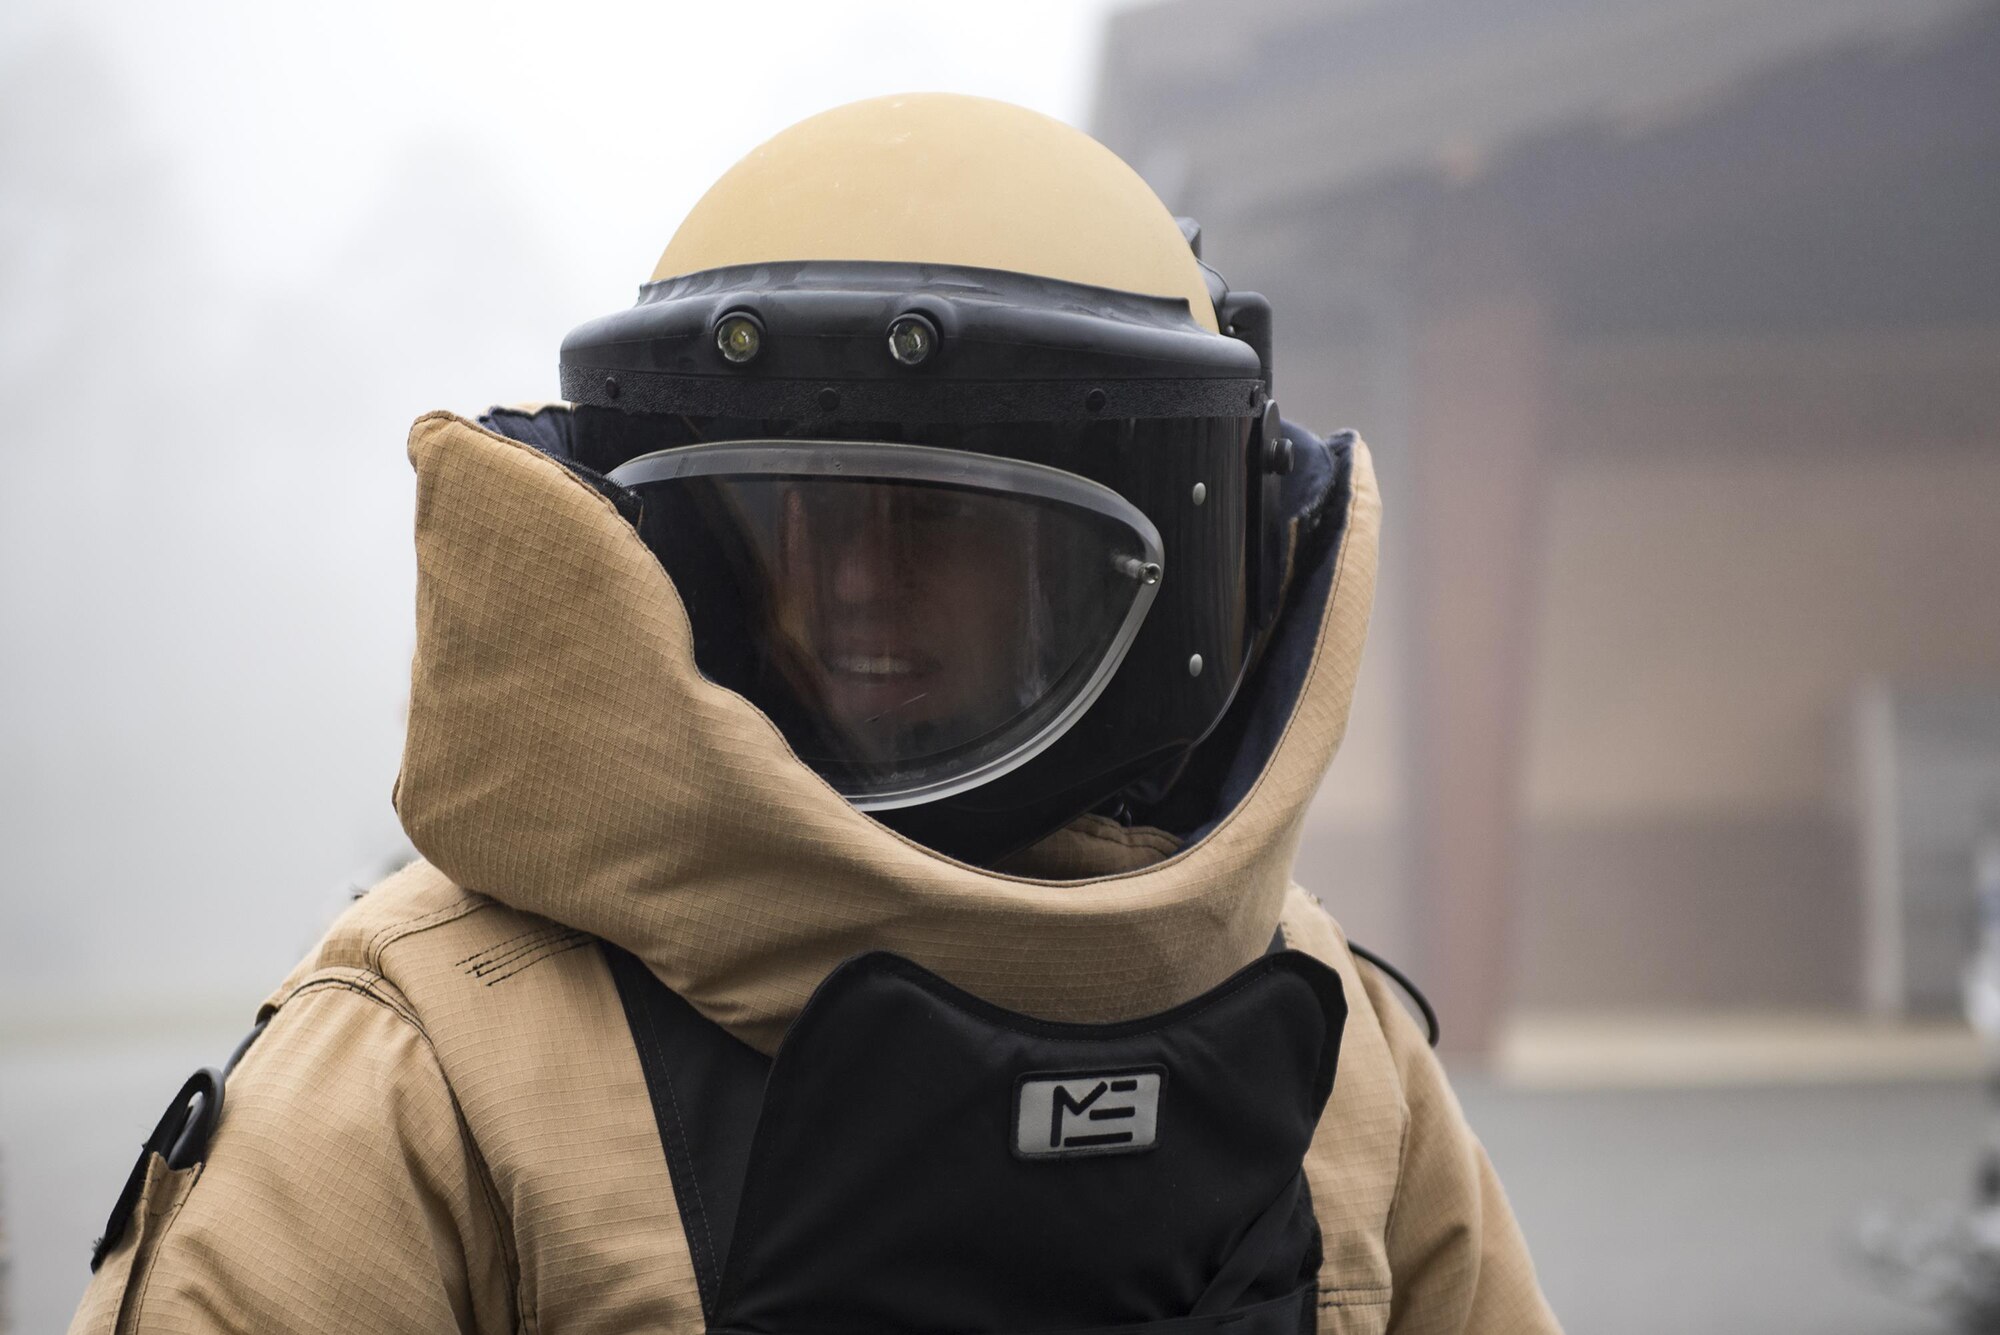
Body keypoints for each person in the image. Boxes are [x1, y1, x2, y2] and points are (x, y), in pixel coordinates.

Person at [69, 94, 1561, 1334]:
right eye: (787, 526)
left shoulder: (1345, 1052)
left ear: (1173, 590)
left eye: (943, 527)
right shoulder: (432, 1067)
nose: (854, 590)